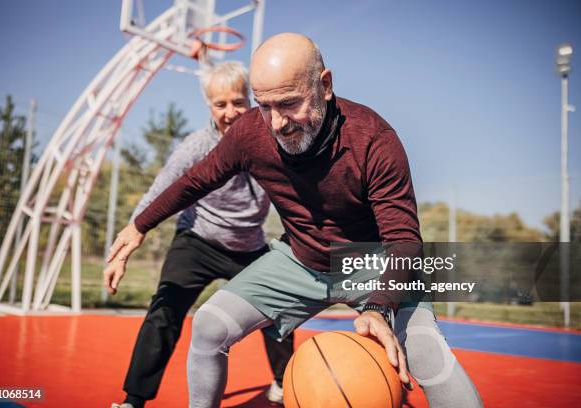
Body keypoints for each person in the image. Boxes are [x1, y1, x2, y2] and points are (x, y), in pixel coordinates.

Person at [106, 33, 484, 408]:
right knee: (208, 325)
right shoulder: (250, 132)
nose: (276, 122)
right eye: (264, 105)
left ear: (325, 85)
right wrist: (139, 225)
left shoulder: (374, 139)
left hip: (372, 260)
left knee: (428, 355)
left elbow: (403, 240)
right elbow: (196, 179)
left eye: (288, 103)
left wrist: (380, 306)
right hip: (301, 261)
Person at [107, 61, 294, 408]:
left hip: (248, 245)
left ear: (251, 101)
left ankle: (285, 383)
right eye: (220, 104)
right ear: (210, 107)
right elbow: (160, 191)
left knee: (281, 306)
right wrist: (127, 241)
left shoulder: (272, 142)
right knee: (164, 310)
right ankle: (134, 400)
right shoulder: (196, 146)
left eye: (238, 102)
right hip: (198, 240)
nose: (230, 112)